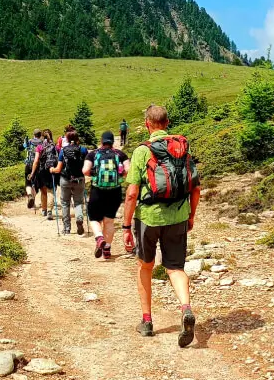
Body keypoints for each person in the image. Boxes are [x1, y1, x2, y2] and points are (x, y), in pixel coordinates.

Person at [122, 105, 201, 348]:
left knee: (145, 266)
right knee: (175, 268)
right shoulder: (182, 148)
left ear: (148, 124)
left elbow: (132, 193)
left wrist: (126, 226)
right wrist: (190, 216)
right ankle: (186, 308)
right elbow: (196, 188)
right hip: (178, 216)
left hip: (149, 218)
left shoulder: (142, 151)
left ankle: (147, 322)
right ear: (167, 123)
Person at [83, 131, 130, 260]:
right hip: (114, 191)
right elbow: (127, 171)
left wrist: (94, 174)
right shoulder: (120, 154)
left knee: (94, 218)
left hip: (97, 190)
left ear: (101, 141)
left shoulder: (93, 154)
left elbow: (85, 170)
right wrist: (119, 176)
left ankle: (99, 238)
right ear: (112, 142)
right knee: (109, 221)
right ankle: (107, 249)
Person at [50, 130, 87, 235]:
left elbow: (58, 169)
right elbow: (87, 166)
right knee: (78, 202)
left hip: (65, 179)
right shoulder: (83, 150)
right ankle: (79, 218)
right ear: (77, 139)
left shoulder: (63, 151)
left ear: (66, 139)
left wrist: (52, 169)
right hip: (79, 179)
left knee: (65, 203)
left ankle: (67, 228)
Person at [30, 129, 58, 220]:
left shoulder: (40, 146)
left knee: (43, 191)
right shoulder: (55, 146)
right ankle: (50, 211)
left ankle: (44, 210)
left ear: (42, 136)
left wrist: (32, 172)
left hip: (42, 171)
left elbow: (36, 160)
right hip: (52, 170)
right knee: (51, 191)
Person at [23, 129, 43, 210]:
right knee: (36, 184)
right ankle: (33, 201)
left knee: (28, 182)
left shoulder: (29, 141)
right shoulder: (42, 142)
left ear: (33, 134)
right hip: (38, 165)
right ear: (40, 134)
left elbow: (23, 147)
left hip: (28, 164)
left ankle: (29, 195)